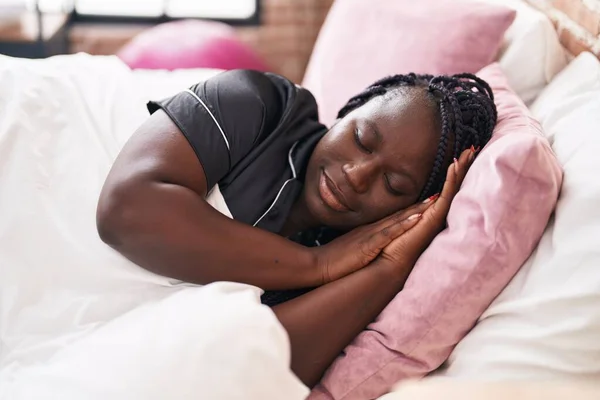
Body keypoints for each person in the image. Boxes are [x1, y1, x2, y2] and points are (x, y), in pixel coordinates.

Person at [96, 69, 497, 386]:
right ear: (348, 111)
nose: (357, 175)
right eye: (361, 138)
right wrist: (314, 264)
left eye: (394, 185)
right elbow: (126, 209)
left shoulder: (359, 256)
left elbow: (256, 369)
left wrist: (390, 267)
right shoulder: (260, 104)